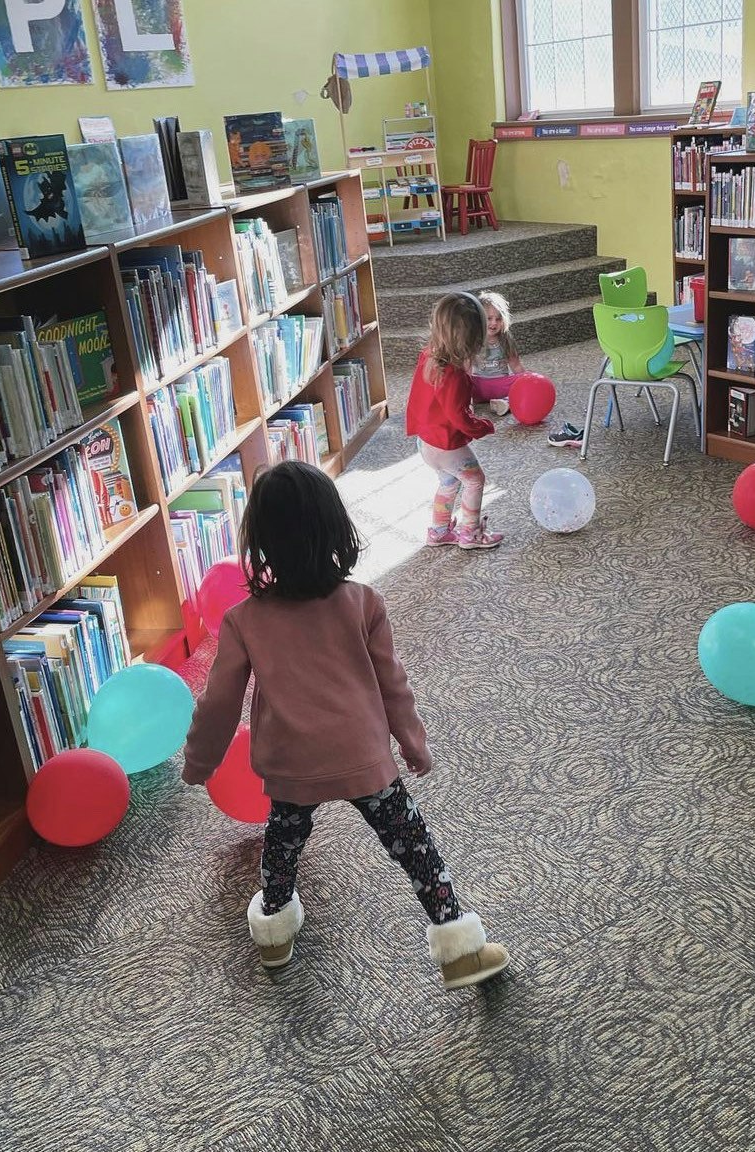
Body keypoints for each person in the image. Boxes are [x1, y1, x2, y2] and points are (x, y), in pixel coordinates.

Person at [181, 460, 510, 990]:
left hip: (292, 765)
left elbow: (218, 702)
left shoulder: (244, 620)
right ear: (336, 528)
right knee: (415, 848)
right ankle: (459, 949)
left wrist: (200, 763)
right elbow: (392, 684)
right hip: (363, 757)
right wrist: (412, 741)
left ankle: (275, 937)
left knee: (283, 847)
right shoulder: (362, 602)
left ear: (261, 541)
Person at [406, 291, 503, 550]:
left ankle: (438, 532)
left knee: (448, 482)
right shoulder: (455, 376)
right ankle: (469, 534)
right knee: (475, 480)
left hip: (425, 441)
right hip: (446, 445)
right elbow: (459, 417)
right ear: (475, 337)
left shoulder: (429, 356)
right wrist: (484, 426)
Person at [471, 290, 525, 417]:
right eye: (489, 318)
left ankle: (504, 403)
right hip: (478, 386)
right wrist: (468, 403)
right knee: (460, 381)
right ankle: (467, 404)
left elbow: (516, 366)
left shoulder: (506, 340)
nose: (494, 323)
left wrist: (527, 382)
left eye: (498, 319)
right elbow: (466, 371)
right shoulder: (473, 340)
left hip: (502, 384)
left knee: (528, 379)